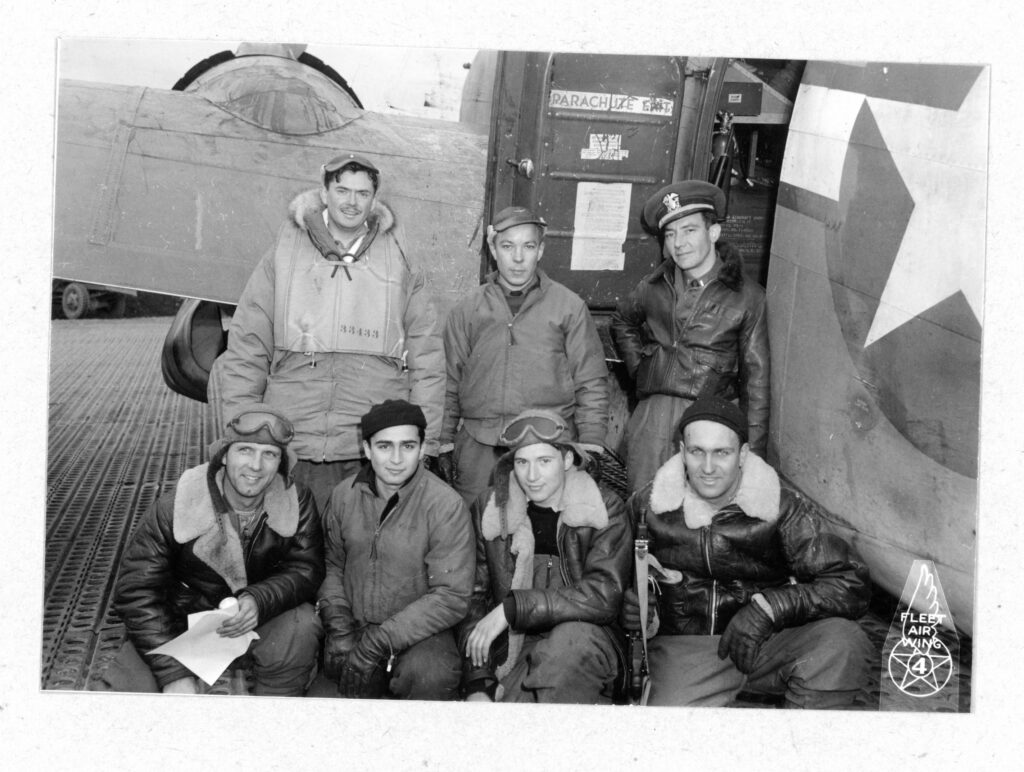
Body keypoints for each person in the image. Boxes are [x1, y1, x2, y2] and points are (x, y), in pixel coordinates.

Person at [209, 153, 444, 512]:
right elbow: (247, 348)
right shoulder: (283, 254)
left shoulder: (401, 259)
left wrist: (424, 444)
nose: (351, 202)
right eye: (342, 190)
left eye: (362, 193)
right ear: (324, 191)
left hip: (370, 453)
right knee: (295, 550)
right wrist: (242, 433)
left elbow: (428, 357)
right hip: (295, 444)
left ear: (374, 198)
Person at [622, 395, 873, 708]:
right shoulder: (647, 506)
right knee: (668, 740)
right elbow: (611, 584)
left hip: (769, 641)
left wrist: (770, 609)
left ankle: (805, 748)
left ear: (742, 454)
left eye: (722, 453)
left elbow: (850, 581)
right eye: (697, 452)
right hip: (688, 649)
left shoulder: (783, 504)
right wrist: (630, 606)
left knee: (842, 642)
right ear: (682, 451)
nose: (708, 467)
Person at [104, 407, 324, 695]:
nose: (256, 466)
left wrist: (260, 599)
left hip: (258, 620)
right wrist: (172, 675)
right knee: (126, 689)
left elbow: (307, 567)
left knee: (302, 626)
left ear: (281, 463)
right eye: (245, 450)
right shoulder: (176, 505)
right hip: (184, 623)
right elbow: (136, 591)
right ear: (224, 456)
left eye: (269, 454)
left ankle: (274, 711)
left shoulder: (297, 500)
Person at [441, 205, 609, 506]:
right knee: (479, 537)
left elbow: (591, 381)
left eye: (528, 246)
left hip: (547, 446)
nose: (518, 258)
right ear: (493, 249)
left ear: (540, 250)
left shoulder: (568, 307)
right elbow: (448, 383)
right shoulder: (467, 309)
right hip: (481, 446)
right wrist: (441, 443)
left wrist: (592, 444)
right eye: (507, 246)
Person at [459, 409, 631, 703]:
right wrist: (478, 681)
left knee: (562, 657)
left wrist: (513, 609)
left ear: (566, 460)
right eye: (522, 462)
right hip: (516, 646)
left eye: (544, 461)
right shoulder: (490, 510)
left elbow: (603, 596)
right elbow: (473, 599)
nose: (532, 476)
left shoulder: (604, 508)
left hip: (588, 641)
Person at [610, 180, 769, 491]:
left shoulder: (747, 297)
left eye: (689, 230)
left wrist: (755, 460)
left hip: (708, 423)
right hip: (651, 420)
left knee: (698, 519)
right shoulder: (654, 285)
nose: (678, 243)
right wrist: (641, 368)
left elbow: (758, 385)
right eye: (670, 234)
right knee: (641, 512)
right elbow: (622, 321)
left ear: (713, 232)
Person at [315, 399, 475, 700]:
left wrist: (378, 642)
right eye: (385, 446)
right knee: (322, 708)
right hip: (356, 627)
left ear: (423, 448)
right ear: (366, 449)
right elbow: (331, 566)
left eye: (408, 446)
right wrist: (338, 625)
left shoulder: (445, 505)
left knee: (430, 674)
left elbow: (451, 596)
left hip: (420, 634)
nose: (397, 459)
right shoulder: (343, 496)